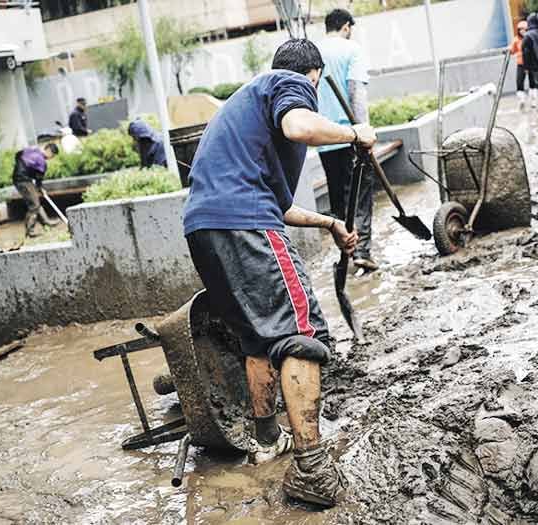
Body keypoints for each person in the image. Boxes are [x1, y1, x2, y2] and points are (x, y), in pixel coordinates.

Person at [183, 39, 377, 507]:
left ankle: (267, 440)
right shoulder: (289, 84)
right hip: (245, 224)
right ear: (313, 75)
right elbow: (298, 126)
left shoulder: (246, 111)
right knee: (301, 330)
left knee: (257, 339)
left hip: (204, 229)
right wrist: (355, 133)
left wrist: (330, 222)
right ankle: (312, 468)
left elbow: (281, 204)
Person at [317, 8, 377, 271]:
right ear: (346, 27)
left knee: (339, 200)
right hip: (350, 136)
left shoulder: (314, 52)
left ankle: (346, 252)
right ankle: (361, 251)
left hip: (323, 138)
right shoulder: (351, 49)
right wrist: (363, 132)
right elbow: (356, 92)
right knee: (360, 194)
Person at [12, 143, 60, 237]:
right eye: (52, 156)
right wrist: (40, 188)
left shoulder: (32, 149)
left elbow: (17, 155)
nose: (51, 158)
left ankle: (46, 222)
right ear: (49, 151)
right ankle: (30, 231)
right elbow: (39, 178)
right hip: (23, 180)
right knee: (34, 205)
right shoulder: (41, 161)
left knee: (35, 201)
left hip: (19, 177)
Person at [510, 20, 537, 111]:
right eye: (520, 30)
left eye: (524, 29)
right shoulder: (516, 39)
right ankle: (522, 99)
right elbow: (512, 50)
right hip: (521, 64)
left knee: (533, 82)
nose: (522, 31)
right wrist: (508, 51)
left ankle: (533, 100)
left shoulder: (530, 37)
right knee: (519, 82)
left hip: (531, 63)